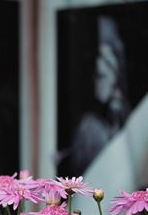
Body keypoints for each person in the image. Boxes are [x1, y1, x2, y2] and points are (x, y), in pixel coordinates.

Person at [56, 15, 131, 176]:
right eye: (97, 58)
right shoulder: (90, 128)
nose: (99, 67)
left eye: (105, 59)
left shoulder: (121, 120)